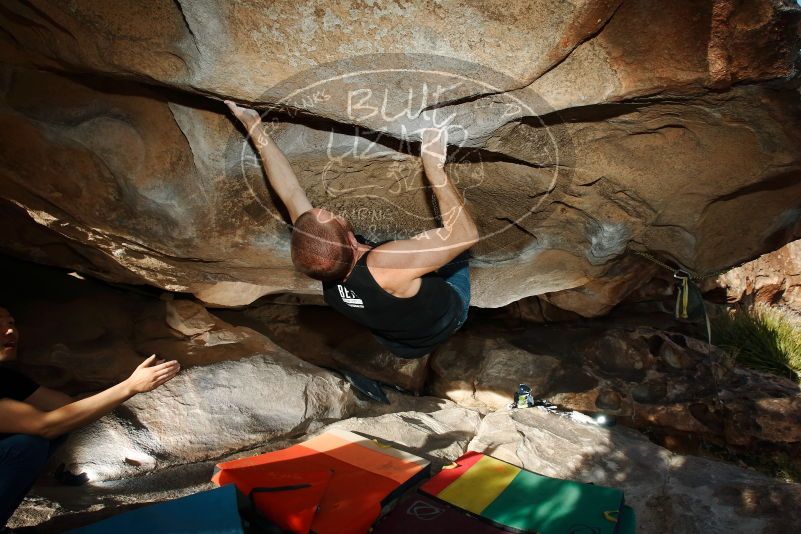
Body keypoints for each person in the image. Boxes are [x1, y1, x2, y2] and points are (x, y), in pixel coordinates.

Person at [225, 101, 479, 360]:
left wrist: (253, 126)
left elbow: (290, 193)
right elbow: (465, 235)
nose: (326, 209)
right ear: (351, 239)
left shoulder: (324, 264)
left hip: (402, 343)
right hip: (446, 319)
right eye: (334, 216)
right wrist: (433, 169)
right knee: (456, 250)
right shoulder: (384, 264)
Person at [0, 306, 180, 528]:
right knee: (26, 445)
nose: (9, 331)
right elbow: (45, 425)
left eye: (10, 323)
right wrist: (130, 387)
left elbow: (69, 408)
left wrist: (131, 380)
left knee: (55, 431)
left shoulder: (8, 379)